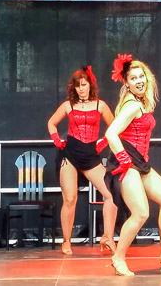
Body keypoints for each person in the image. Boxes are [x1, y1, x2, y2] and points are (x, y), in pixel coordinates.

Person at [102, 54, 161, 276]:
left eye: (141, 76)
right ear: (126, 82)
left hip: (139, 161)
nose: (139, 81)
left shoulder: (140, 103)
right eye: (133, 78)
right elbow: (111, 133)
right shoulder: (132, 105)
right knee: (140, 213)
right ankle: (118, 258)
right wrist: (124, 159)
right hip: (127, 162)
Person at [46, 66, 116, 256]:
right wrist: (57, 140)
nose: (81, 89)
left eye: (84, 85)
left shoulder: (100, 105)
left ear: (90, 85)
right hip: (70, 154)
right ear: (74, 88)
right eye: (78, 86)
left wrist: (103, 143)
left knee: (111, 194)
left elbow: (114, 127)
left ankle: (107, 237)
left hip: (90, 155)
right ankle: (66, 241)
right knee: (70, 198)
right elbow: (51, 123)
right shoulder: (68, 105)